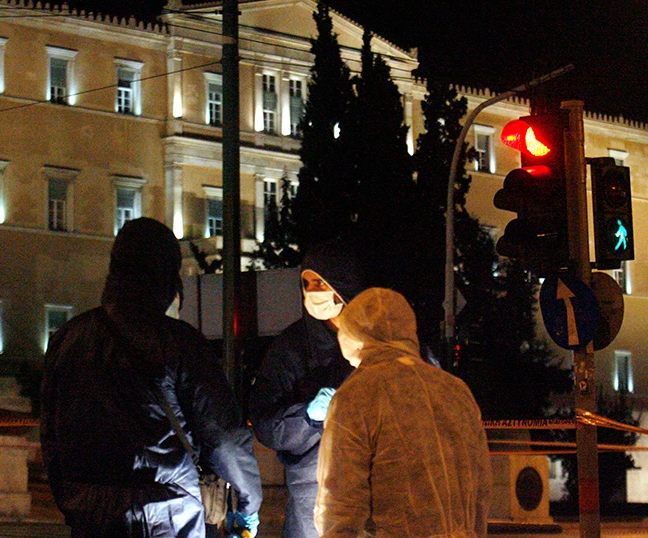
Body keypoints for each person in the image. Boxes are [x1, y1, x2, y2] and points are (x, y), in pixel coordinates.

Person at [41, 217, 262, 538]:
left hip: (89, 512)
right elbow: (224, 436)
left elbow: (50, 431)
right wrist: (249, 502)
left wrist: (70, 496)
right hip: (164, 513)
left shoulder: (68, 338)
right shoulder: (178, 342)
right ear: (165, 275)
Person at [315, 288, 492, 538]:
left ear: (352, 334)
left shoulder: (356, 396)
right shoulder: (456, 391)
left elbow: (341, 499)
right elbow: (481, 489)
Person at [249, 241, 365, 538]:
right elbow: (265, 423)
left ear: (343, 284)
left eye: (320, 283)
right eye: (307, 283)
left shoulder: (379, 337)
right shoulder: (292, 347)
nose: (313, 292)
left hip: (375, 487)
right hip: (312, 494)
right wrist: (306, 418)